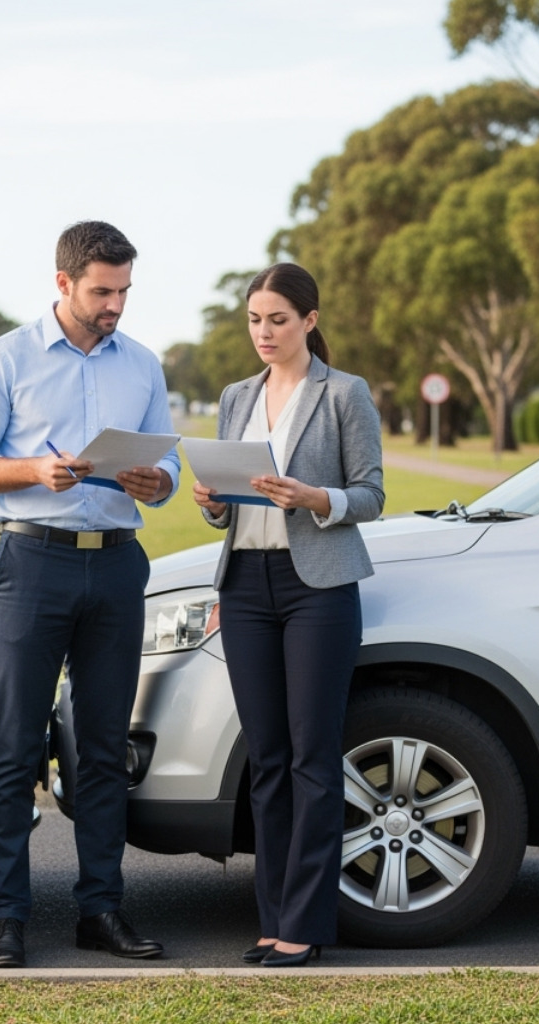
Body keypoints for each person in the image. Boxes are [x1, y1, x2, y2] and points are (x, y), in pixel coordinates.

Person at [0, 221, 180, 968]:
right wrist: (32, 473)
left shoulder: (142, 365)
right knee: (16, 746)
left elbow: (165, 469)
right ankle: (7, 919)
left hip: (116, 565)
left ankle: (101, 911)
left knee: (104, 748)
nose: (115, 305)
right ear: (63, 284)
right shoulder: (5, 358)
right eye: (102, 292)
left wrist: (156, 482)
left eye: (123, 292)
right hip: (32, 563)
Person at [192, 262, 383, 967]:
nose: (264, 332)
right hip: (245, 585)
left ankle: (305, 922)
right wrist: (214, 505)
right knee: (266, 760)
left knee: (311, 757)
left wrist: (313, 498)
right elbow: (228, 504)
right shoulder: (235, 396)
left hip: (319, 590)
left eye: (277, 319)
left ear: (309, 320)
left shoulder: (344, 395)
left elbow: (370, 494)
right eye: (254, 320)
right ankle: (272, 919)